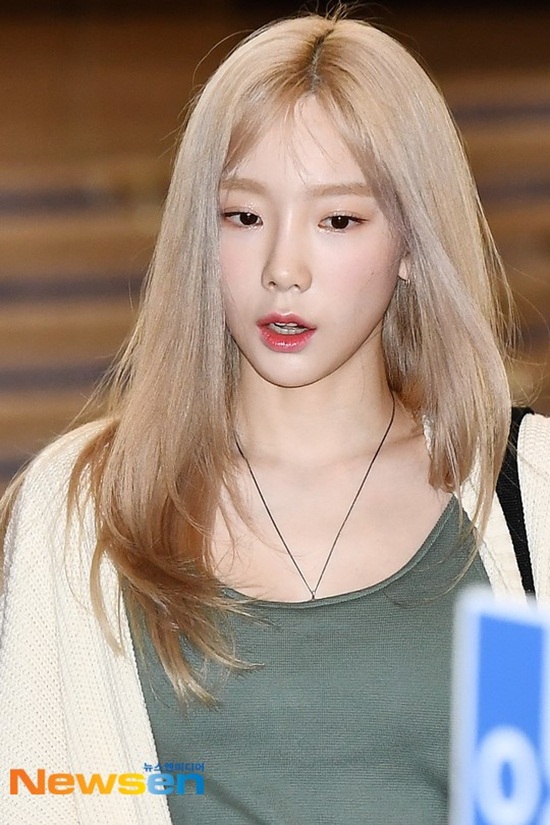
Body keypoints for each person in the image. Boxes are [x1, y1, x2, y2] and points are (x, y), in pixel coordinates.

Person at [1, 10, 549, 825]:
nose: (282, 269)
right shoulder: (80, 509)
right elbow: (45, 793)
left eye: (338, 220)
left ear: (411, 242)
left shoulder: (529, 491)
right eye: (244, 216)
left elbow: (523, 793)